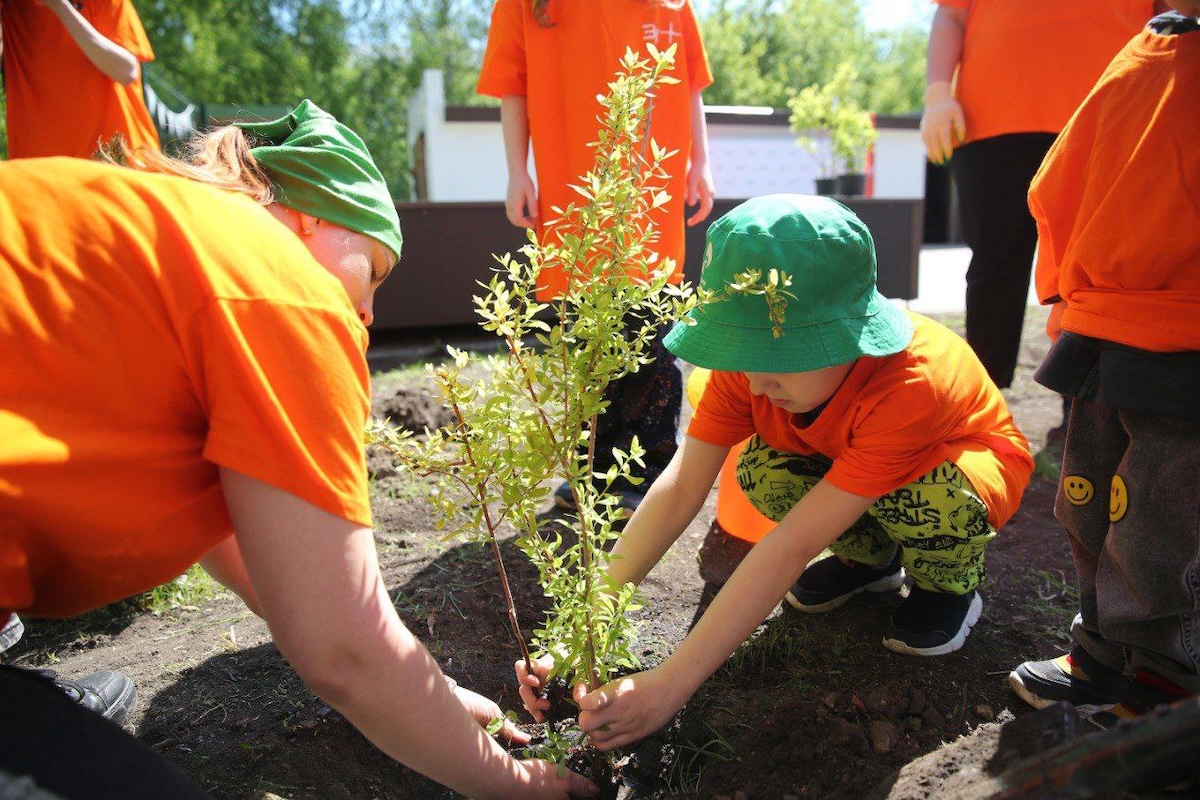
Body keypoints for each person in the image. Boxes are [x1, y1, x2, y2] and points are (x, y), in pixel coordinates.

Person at [0, 100, 595, 799]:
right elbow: (343, 650)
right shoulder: (284, 287)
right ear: (313, 215)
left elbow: (254, 553)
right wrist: (517, 786)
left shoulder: (158, 234)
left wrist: (423, 695)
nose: (370, 310)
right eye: (373, 270)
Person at [516, 194, 1034, 749]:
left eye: (778, 364)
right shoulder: (750, 369)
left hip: (958, 469)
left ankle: (947, 587)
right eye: (743, 357)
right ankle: (870, 560)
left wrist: (670, 684)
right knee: (764, 470)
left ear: (846, 337)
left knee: (932, 496)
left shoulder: (909, 386)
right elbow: (682, 487)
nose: (756, 382)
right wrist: (581, 629)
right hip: (858, 472)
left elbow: (789, 546)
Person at [1007, 3, 1200, 725]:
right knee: (1090, 500)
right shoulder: (1143, 54)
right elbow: (1058, 180)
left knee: (1160, 519)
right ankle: (1101, 650)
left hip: (1186, 337)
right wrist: (1064, 292)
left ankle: (1168, 675)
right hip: (1106, 327)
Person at [476, 0, 716, 512]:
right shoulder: (526, 5)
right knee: (586, 337)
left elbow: (690, 82)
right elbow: (512, 86)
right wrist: (518, 171)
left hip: (652, 194)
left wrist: (701, 162)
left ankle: (646, 474)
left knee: (651, 334)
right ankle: (597, 471)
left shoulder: (672, 4)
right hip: (573, 196)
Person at [919, 0, 1160, 395]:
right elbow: (951, 13)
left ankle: (1087, 415)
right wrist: (937, 92)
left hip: (1113, 115)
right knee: (995, 268)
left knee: (1097, 271)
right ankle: (982, 407)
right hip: (993, 119)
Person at [1, 0, 160, 159]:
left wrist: (60, 7)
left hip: (117, 161)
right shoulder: (13, 7)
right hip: (42, 167)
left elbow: (126, 71)